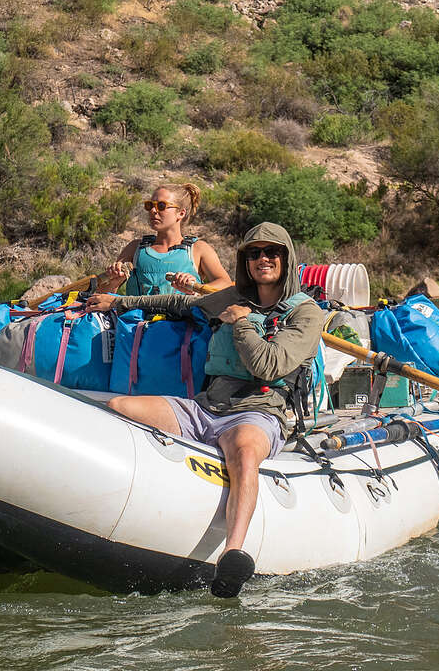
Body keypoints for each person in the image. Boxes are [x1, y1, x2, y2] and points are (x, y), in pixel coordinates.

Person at [84, 221, 325, 598]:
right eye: (255, 253)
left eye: (272, 252)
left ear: (287, 258)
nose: (264, 259)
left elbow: (270, 366)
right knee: (120, 406)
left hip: (260, 411)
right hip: (208, 406)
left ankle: (234, 553)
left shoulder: (307, 314)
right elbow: (181, 303)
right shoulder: (231, 296)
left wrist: (242, 323)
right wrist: (120, 302)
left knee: (245, 453)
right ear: (246, 260)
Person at [106, 183, 230, 295]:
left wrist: (196, 289)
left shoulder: (198, 249)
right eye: (150, 205)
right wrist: (113, 282)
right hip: (134, 319)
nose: (153, 211)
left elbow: (225, 283)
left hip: (183, 320)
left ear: (181, 213)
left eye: (161, 206)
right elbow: (103, 294)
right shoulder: (135, 248)